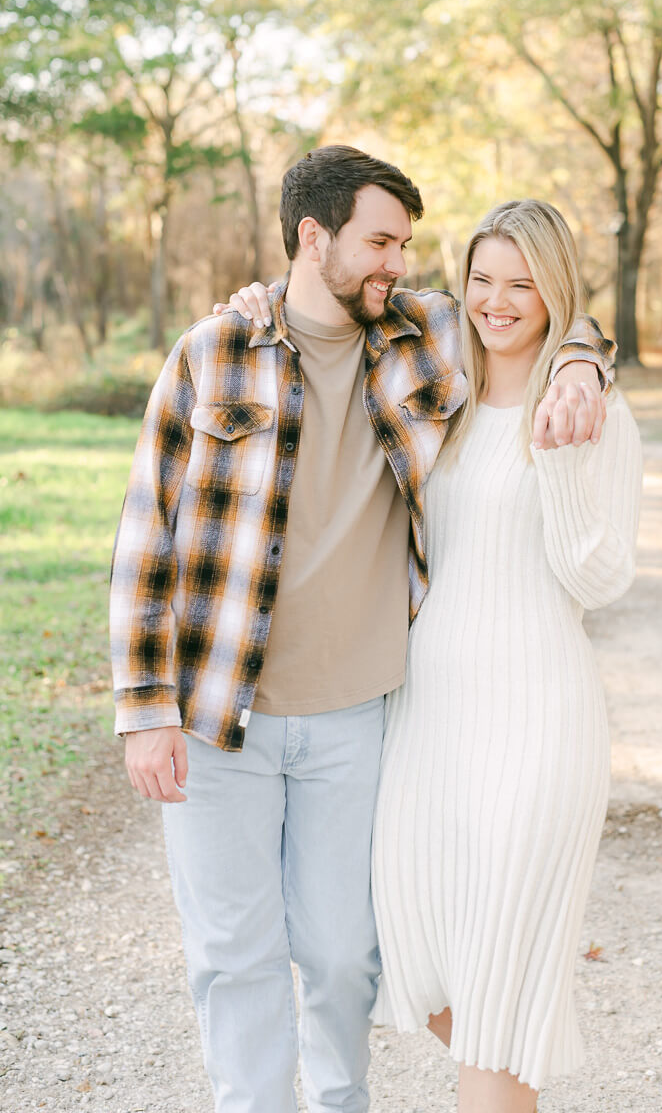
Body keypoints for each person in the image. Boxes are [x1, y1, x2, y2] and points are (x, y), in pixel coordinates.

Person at [109, 146, 614, 1113]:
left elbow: (539, 305)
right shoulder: (211, 353)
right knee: (235, 956)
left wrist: (587, 359)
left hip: (356, 721)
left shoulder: (419, 335)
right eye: (380, 241)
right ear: (314, 236)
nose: (398, 262)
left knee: (346, 957)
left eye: (406, 245)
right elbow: (145, 537)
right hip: (222, 719)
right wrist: (144, 709)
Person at [370, 200, 643, 1112]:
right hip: (431, 725)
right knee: (418, 958)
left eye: (523, 283)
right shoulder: (436, 387)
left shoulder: (590, 410)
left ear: (555, 289)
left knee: (499, 989)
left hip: (538, 728)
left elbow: (600, 580)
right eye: (483, 279)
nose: (498, 300)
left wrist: (562, 460)